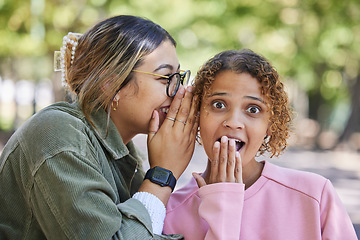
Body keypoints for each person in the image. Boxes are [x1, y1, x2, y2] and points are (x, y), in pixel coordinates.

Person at [0, 15, 199, 239]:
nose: (178, 92)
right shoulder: (59, 136)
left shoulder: (116, 148)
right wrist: (162, 174)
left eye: (178, 78)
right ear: (110, 83)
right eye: (165, 78)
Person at [163, 49, 358, 239]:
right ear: (196, 114)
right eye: (219, 105)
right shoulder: (169, 213)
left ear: (271, 124)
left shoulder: (315, 196)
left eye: (253, 109)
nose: (233, 121)